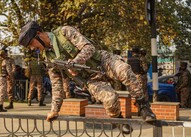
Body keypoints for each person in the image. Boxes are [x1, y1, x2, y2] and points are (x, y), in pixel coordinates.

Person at [18, 21, 156, 131]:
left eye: (31, 43)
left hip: (101, 62)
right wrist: (54, 110)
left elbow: (89, 48)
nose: (32, 48)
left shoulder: (64, 32)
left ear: (39, 34)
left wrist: (75, 62)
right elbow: (56, 85)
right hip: (89, 79)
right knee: (110, 99)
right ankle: (118, 120)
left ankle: (144, 106)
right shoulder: (49, 59)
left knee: (124, 70)